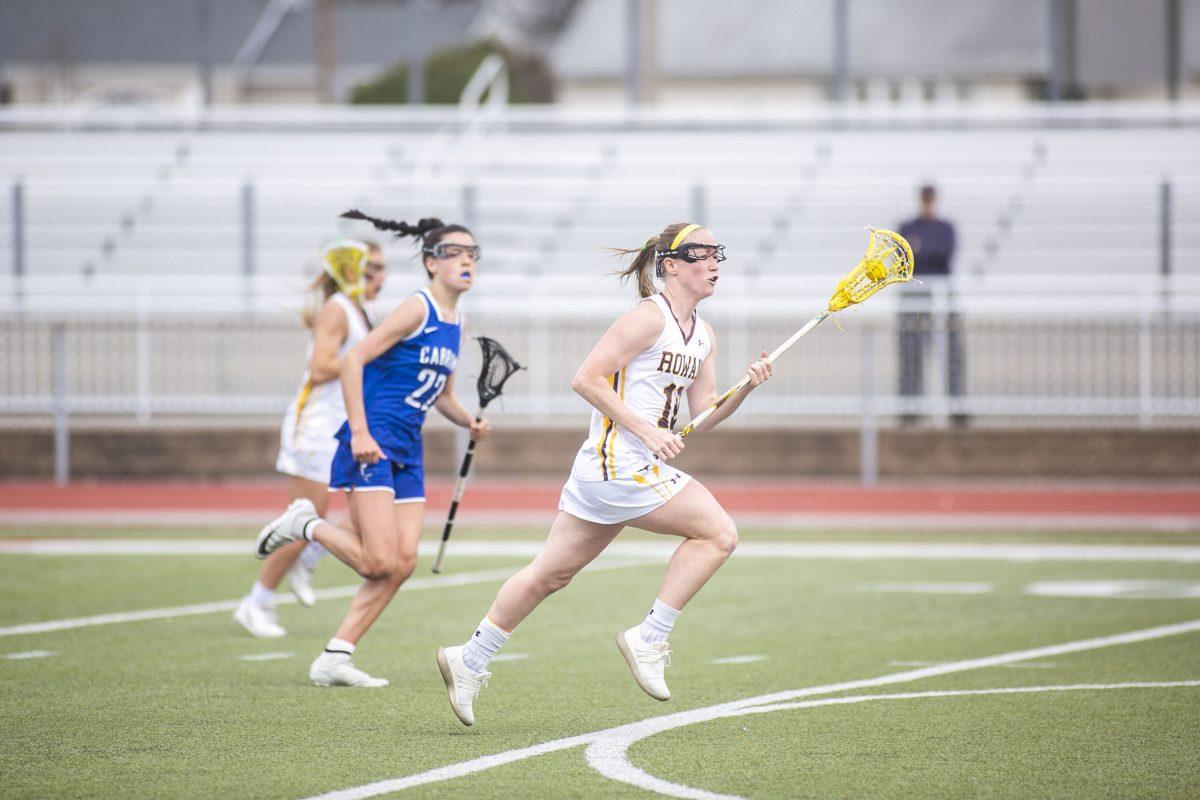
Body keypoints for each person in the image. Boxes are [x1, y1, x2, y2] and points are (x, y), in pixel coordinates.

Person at [435, 222, 773, 726]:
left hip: (615, 468)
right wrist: (646, 430)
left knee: (550, 574)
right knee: (719, 533)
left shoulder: (703, 334)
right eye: (700, 254)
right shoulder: (645, 318)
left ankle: (471, 657)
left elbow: (700, 414)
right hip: (618, 463)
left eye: (716, 254)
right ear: (671, 265)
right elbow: (585, 379)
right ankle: (651, 636)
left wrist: (744, 388)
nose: (713, 263)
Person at [254, 213, 489, 688]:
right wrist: (359, 432)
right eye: (454, 253)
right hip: (373, 440)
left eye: (472, 254)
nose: (466, 261)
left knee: (401, 564)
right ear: (430, 263)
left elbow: (440, 393)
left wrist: (468, 419)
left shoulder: (457, 322)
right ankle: (307, 525)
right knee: (377, 561)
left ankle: (335, 656)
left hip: (409, 447)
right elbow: (352, 360)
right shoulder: (416, 308)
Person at [234, 239, 386, 638]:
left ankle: (311, 553)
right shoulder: (337, 310)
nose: (380, 278)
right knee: (303, 516)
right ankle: (258, 601)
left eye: (382, 269)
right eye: (371, 269)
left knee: (361, 509)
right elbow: (320, 367)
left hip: (345, 425)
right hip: (317, 425)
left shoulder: (362, 311)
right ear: (351, 270)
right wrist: (365, 359)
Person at [897, 185, 965, 425]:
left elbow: (943, 254)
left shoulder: (945, 228)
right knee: (910, 353)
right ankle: (909, 409)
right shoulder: (908, 227)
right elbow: (902, 256)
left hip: (941, 296)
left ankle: (957, 408)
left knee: (952, 355)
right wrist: (923, 251)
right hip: (914, 298)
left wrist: (921, 249)